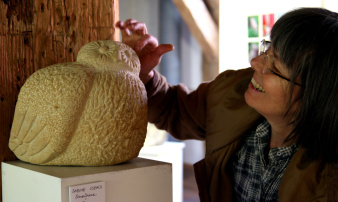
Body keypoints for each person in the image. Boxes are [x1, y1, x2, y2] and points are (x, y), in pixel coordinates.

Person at [116, 7, 338, 202]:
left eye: (274, 66)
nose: (254, 63)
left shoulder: (329, 182)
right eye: (267, 50)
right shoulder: (234, 90)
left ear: (318, 95)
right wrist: (144, 74)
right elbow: (175, 109)